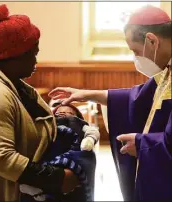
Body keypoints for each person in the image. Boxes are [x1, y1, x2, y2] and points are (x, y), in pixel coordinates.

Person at [49, 5, 172, 202]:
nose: (136, 58)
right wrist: (86, 94)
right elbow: (138, 97)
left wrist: (141, 144)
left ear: (152, 40)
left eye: (136, 50)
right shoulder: (168, 71)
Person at [0, 4, 80, 201]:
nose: (36, 60)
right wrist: (58, 178)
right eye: (33, 53)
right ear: (14, 57)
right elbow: (2, 159)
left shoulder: (18, 86)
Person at [20, 104, 99, 201]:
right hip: (51, 151)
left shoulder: (80, 124)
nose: (62, 113)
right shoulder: (47, 124)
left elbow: (92, 132)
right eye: (58, 112)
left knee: (83, 158)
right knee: (43, 168)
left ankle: (39, 189)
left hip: (75, 150)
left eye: (69, 112)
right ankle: (37, 189)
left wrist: (90, 139)